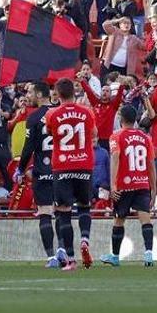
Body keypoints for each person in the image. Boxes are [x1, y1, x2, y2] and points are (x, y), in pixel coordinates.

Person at [44, 78, 99, 271]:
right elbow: (94, 134)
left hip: (62, 167)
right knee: (84, 206)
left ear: (58, 94)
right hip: (84, 164)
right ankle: (85, 238)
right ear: (74, 93)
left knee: (64, 212)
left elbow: (51, 133)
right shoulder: (87, 112)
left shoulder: (52, 114)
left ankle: (72, 259)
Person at [101, 106, 157, 268]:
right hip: (142, 183)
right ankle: (148, 254)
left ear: (120, 119)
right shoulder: (145, 137)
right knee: (145, 218)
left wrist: (113, 185)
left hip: (124, 185)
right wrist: (153, 188)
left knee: (119, 220)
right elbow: (151, 164)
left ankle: (115, 256)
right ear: (135, 119)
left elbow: (116, 157)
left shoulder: (116, 136)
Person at [17, 81, 59, 267]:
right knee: (62, 212)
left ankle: (51, 257)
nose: (28, 96)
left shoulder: (33, 118)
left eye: (31, 92)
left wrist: (20, 169)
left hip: (42, 171)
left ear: (41, 95)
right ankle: (65, 252)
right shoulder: (59, 114)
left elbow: (28, 149)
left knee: (44, 212)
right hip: (60, 171)